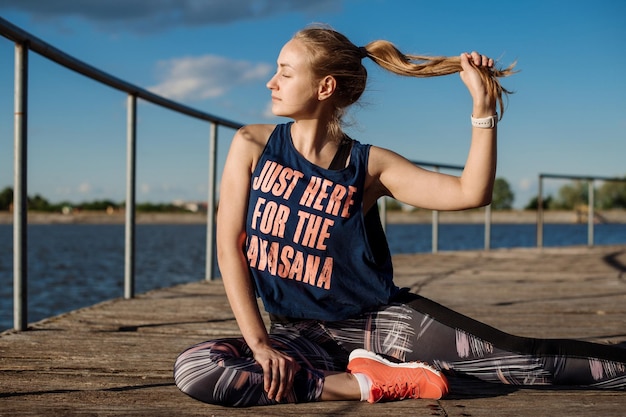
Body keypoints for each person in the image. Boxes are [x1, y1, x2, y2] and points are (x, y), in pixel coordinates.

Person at [173, 25, 626, 407]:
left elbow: (472, 193)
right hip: (298, 335)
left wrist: (483, 113)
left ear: (324, 87)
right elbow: (230, 247)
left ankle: (371, 370)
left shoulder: (369, 166)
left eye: (285, 72)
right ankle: (366, 384)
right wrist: (260, 345)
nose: (271, 81)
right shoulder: (252, 146)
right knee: (198, 369)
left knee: (526, 362)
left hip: (377, 323)